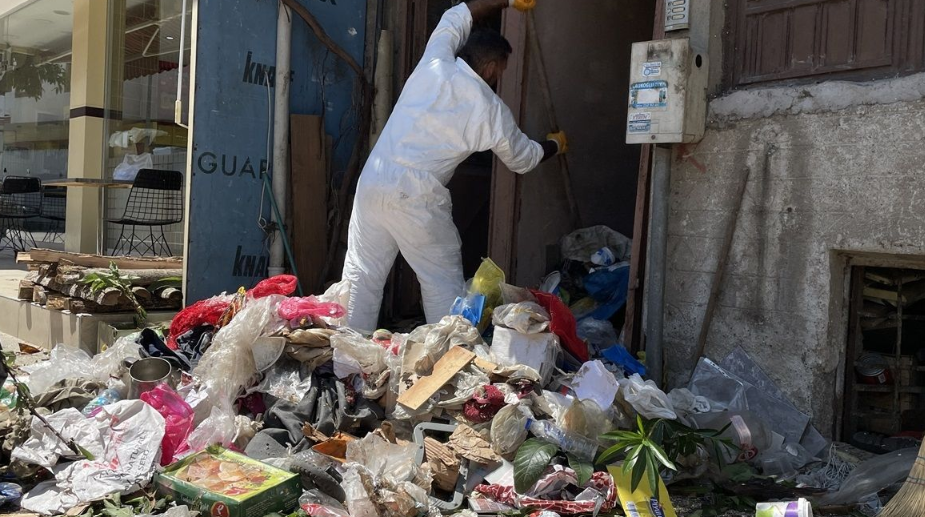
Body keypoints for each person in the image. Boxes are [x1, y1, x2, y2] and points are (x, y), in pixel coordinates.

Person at [341, 0, 567, 333]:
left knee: (362, 274)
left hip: (374, 179)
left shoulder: (437, 60)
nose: (498, 78)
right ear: (490, 66)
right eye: (501, 70)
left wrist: (506, 2)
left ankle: (346, 364)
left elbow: (457, 15)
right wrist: (555, 145)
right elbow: (524, 159)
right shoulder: (491, 110)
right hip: (416, 196)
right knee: (441, 284)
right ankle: (449, 364)